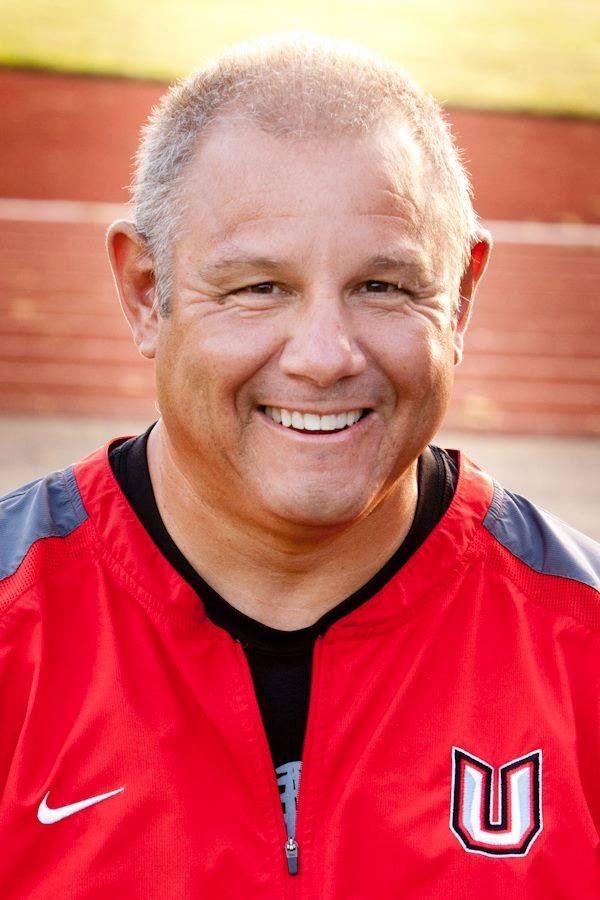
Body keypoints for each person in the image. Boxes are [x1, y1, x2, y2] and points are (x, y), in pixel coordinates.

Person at [0, 34, 598, 899]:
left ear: (461, 297)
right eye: (258, 288)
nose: (324, 357)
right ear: (145, 291)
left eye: (383, 287)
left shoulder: (581, 644)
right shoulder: (17, 625)